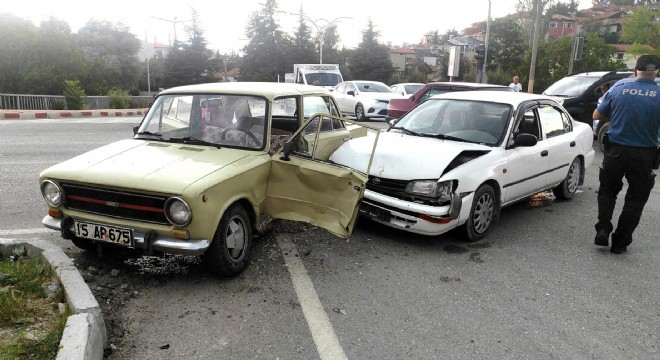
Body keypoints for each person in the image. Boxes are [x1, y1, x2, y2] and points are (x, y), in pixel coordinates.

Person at [592, 54, 660, 254]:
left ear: (634, 71)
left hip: (616, 151)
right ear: (658, 73)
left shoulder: (620, 87)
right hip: (645, 155)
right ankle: (620, 242)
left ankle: (603, 229)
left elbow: (597, 114)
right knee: (636, 199)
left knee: (608, 191)